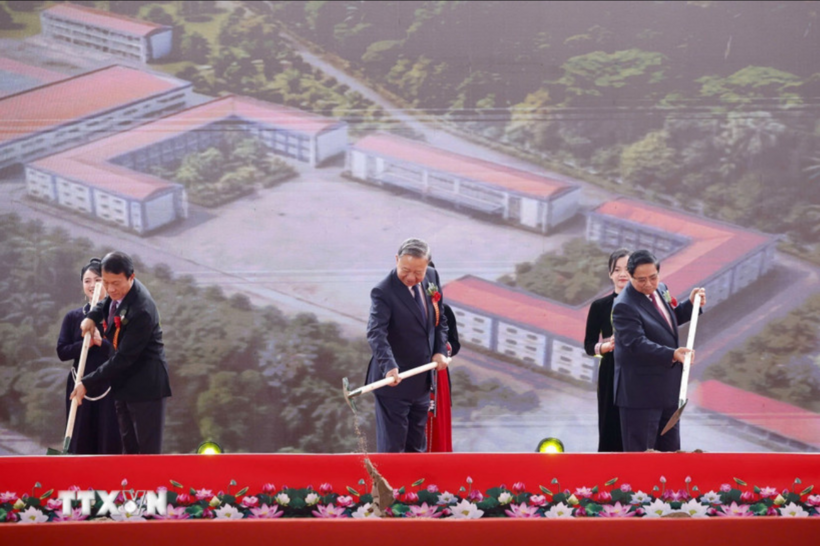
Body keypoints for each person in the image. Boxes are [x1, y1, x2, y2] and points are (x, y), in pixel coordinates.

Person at [70, 251, 172, 454]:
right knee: (128, 450)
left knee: (147, 453)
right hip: (123, 384)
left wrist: (87, 383)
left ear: (131, 277)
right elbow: (107, 302)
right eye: (106, 282)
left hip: (146, 388)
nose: (110, 289)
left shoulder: (142, 310)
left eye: (116, 283)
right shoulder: (119, 290)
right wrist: (92, 316)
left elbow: (123, 358)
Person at [611, 249, 706, 452]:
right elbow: (636, 344)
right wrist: (672, 354)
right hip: (640, 395)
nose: (648, 284)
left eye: (653, 277)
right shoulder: (623, 306)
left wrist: (691, 305)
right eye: (641, 280)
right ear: (630, 276)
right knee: (643, 457)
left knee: (671, 454)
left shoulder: (661, 289)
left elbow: (666, 322)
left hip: (668, 392)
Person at [366, 238, 450, 453]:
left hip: (421, 380)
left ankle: (415, 478)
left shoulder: (432, 277)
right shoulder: (383, 291)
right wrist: (389, 366)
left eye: (418, 272)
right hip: (394, 382)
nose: (411, 278)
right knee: (393, 450)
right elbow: (376, 333)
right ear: (396, 260)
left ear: (427, 265)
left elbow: (440, 321)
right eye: (405, 270)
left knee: (417, 448)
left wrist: (439, 351)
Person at [56, 258, 122, 455]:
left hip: (110, 386)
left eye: (98, 280)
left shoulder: (119, 317)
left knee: (109, 438)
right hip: (79, 383)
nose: (93, 285)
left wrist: (102, 343)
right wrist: (85, 343)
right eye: (87, 281)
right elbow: (62, 351)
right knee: (79, 437)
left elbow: (125, 354)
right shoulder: (73, 317)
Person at [583, 248, 630, 452]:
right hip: (611, 371)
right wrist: (605, 347)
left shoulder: (647, 304)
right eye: (617, 269)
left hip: (639, 373)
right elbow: (589, 345)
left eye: (627, 269)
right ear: (610, 274)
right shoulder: (600, 306)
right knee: (610, 425)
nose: (622, 274)